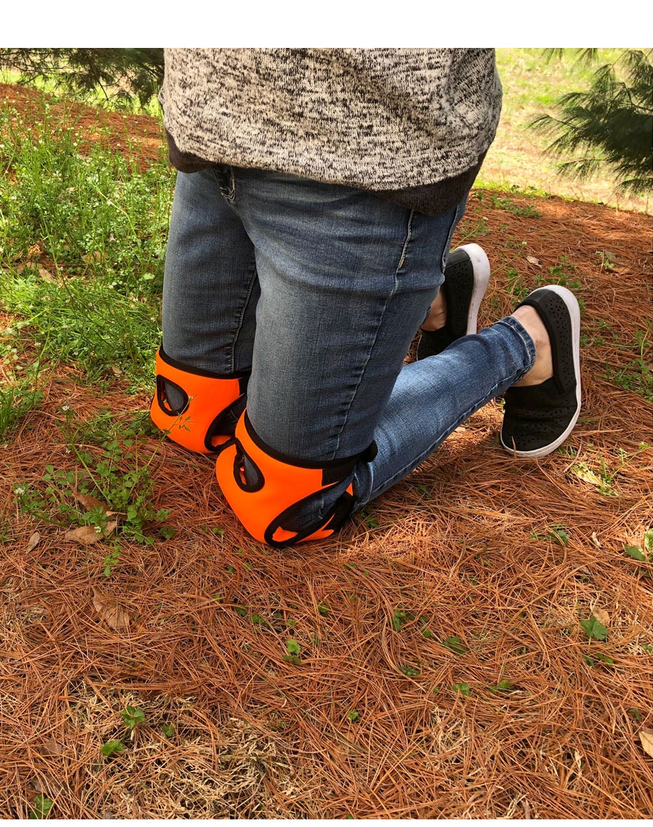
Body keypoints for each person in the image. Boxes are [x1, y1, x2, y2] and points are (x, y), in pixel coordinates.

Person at [149, 48, 582, 546]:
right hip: (209, 133)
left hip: (362, 166)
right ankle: (429, 301)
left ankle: (528, 342)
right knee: (190, 414)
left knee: (285, 501)